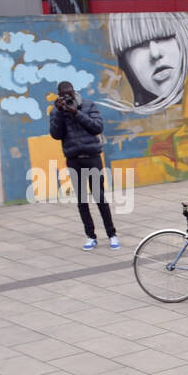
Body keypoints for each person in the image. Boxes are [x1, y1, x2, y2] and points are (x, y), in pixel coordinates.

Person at [48, 80, 118, 251]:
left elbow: (97, 127)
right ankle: (91, 236)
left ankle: (112, 234)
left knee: (99, 196)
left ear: (74, 91)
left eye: (69, 92)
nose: (67, 96)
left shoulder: (88, 105)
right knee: (81, 200)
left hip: (92, 157)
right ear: (59, 95)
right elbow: (56, 135)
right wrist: (58, 112)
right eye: (63, 94)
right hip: (73, 159)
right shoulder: (57, 111)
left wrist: (76, 113)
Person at [105, 11, 188, 115]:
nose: (155, 54)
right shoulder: (126, 125)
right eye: (140, 44)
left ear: (187, 39)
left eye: (164, 37)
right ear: (125, 62)